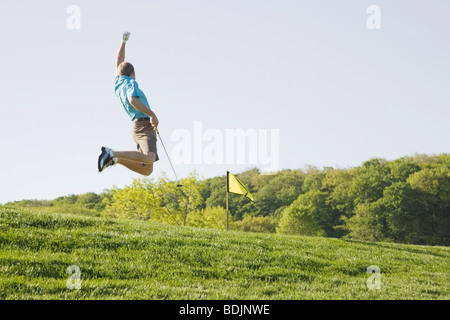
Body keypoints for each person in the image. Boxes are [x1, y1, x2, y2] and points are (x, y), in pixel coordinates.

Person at [98, 32, 159, 176]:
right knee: (149, 158)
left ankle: (115, 159)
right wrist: (152, 115)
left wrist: (123, 42)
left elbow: (119, 62)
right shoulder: (132, 82)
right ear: (133, 72)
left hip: (136, 127)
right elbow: (133, 99)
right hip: (144, 124)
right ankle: (111, 153)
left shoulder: (118, 82)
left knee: (147, 169)